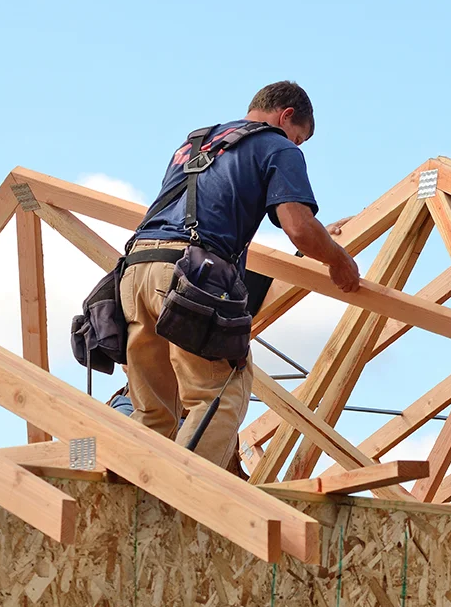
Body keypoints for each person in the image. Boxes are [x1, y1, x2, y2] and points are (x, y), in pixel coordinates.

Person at [120, 81, 360, 468]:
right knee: (221, 394)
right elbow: (298, 225)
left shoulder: (196, 144)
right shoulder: (277, 146)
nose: (296, 147)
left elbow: (207, 211)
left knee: (155, 410)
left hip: (136, 270)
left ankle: (140, 497)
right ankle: (180, 499)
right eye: (299, 138)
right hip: (190, 274)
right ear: (286, 117)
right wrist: (337, 260)